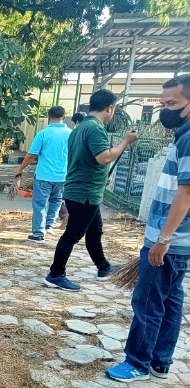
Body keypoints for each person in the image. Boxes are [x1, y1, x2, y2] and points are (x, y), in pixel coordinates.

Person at [106, 74, 190, 382]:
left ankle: (137, 362)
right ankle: (160, 361)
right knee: (170, 299)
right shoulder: (182, 135)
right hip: (178, 239)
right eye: (164, 102)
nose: (166, 109)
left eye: (173, 103)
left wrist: (163, 239)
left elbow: (186, 192)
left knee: (147, 300)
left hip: (169, 239)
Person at [43, 89, 138, 291]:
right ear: (110, 108)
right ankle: (55, 274)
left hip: (84, 190)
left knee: (95, 231)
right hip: (84, 192)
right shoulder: (95, 128)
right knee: (72, 234)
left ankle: (103, 267)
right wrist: (125, 141)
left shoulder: (80, 127)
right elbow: (104, 157)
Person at [15, 106, 72, 243]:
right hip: (63, 176)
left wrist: (20, 169)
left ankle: (38, 234)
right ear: (63, 118)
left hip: (44, 176)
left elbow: (31, 155)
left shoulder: (43, 134)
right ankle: (49, 225)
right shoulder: (71, 134)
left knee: (40, 204)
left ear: (48, 118)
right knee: (57, 200)